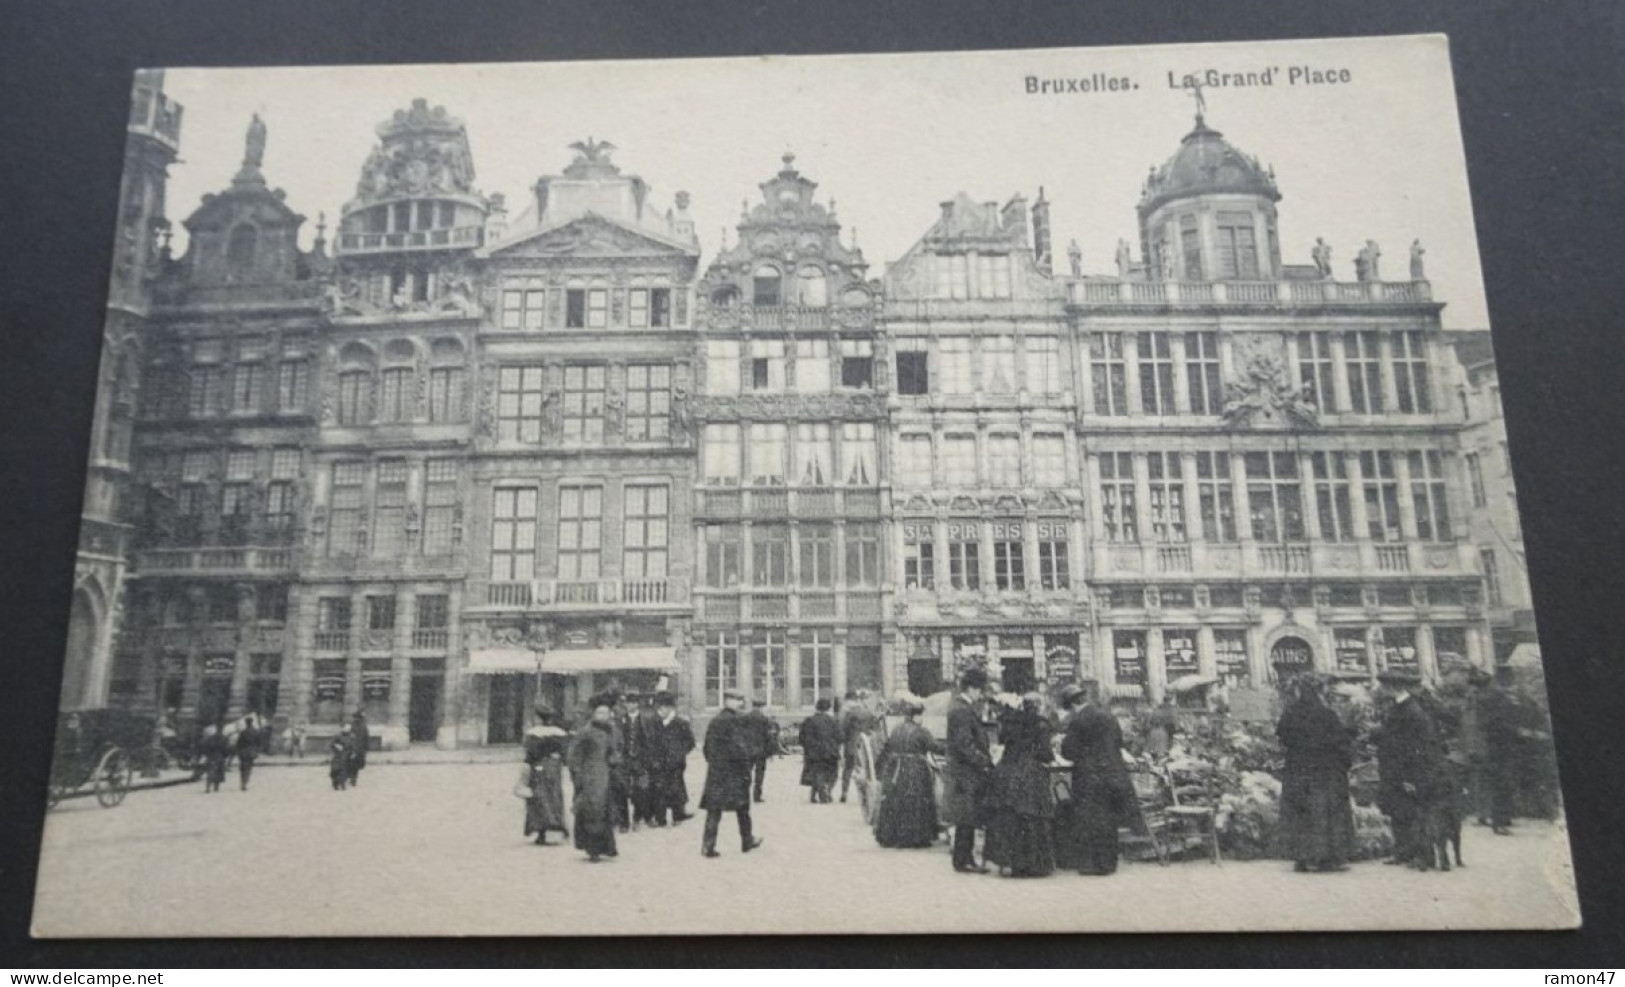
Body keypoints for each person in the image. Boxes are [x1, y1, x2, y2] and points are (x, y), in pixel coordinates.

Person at [1275, 676, 1355, 873]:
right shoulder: (1327, 715)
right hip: (1324, 771)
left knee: (1300, 812)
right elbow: (1341, 741)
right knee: (1324, 813)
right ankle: (1325, 858)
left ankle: (1301, 858)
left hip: (1298, 770)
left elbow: (1283, 738)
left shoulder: (1290, 713)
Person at [1060, 682, 1132, 876]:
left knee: (1090, 820)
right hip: (1113, 774)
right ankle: (1109, 863)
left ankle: (1094, 864)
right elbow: (1119, 743)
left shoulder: (1078, 720)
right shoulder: (1108, 716)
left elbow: (1068, 751)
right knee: (1108, 820)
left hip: (1090, 777)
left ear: (1072, 705)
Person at [986, 693, 1058, 878]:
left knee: (1011, 818)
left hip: (1008, 771)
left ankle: (1012, 862)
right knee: (1033, 818)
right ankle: (1033, 864)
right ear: (1039, 706)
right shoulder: (1040, 724)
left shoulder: (1010, 721)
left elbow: (1004, 742)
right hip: (1029, 773)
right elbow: (1045, 753)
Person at [1375, 672, 1441, 868]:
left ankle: (1421, 855)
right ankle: (1404, 852)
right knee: (1399, 811)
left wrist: (1410, 776)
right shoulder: (1400, 707)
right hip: (1396, 769)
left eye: (1383, 687)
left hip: (1406, 771)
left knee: (1413, 813)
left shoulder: (1411, 710)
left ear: (1392, 687)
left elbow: (1416, 746)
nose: (1380, 690)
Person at [698, 689, 764, 858]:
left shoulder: (714, 721)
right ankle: (747, 841)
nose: (740, 704)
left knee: (714, 810)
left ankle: (708, 845)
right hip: (734, 773)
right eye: (737, 700)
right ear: (728, 701)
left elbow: (707, 749)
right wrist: (745, 770)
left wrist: (715, 763)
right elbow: (740, 749)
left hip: (716, 773)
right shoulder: (737, 721)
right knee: (742, 808)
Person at [873, 699, 943, 849]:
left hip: (896, 769)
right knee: (917, 802)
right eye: (920, 715)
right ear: (916, 716)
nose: (921, 718)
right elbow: (935, 747)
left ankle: (892, 836)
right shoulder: (921, 731)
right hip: (915, 770)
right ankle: (915, 838)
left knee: (896, 801)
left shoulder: (896, 729)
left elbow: (887, 747)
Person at [944, 669, 994, 874]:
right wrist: (983, 762)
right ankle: (964, 860)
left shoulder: (959, 707)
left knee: (967, 817)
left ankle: (964, 859)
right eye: (980, 691)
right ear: (972, 688)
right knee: (967, 816)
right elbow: (964, 744)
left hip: (964, 771)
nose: (981, 695)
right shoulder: (962, 710)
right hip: (966, 772)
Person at [566, 696, 619, 863]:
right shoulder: (585, 732)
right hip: (589, 777)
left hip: (606, 775)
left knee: (605, 812)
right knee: (591, 812)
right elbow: (573, 755)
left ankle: (607, 847)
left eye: (606, 712)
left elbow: (614, 751)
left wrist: (614, 759)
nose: (603, 715)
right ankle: (593, 849)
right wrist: (578, 775)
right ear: (594, 714)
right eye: (600, 712)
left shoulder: (612, 730)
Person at [640, 691, 696, 825]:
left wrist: (679, 753)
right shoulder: (653, 723)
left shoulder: (681, 723)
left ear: (671, 708)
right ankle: (661, 818)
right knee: (659, 790)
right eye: (659, 708)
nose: (660, 711)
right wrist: (652, 759)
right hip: (658, 763)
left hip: (675, 763)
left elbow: (690, 742)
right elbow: (648, 742)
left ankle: (678, 816)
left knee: (676, 788)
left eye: (663, 708)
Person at [523, 710, 570, 846]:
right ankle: (557, 825)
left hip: (538, 768)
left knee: (538, 798)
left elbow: (530, 754)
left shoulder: (533, 734)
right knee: (554, 796)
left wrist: (528, 765)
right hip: (554, 769)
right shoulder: (560, 734)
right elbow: (565, 754)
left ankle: (541, 832)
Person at [839, 691, 881, 804]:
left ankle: (844, 792)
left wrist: (842, 743)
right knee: (868, 771)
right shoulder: (869, 713)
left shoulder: (849, 713)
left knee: (848, 769)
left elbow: (843, 730)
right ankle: (866, 796)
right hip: (866, 747)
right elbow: (875, 729)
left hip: (851, 745)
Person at [798, 698, 841, 804]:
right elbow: (841, 736)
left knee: (817, 773)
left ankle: (815, 794)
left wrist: (808, 748)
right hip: (831, 752)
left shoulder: (809, 720)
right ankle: (826, 791)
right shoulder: (833, 721)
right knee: (832, 774)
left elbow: (802, 738)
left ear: (816, 707)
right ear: (828, 708)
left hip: (814, 752)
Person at [744, 698, 775, 803]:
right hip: (761, 751)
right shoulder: (764, 719)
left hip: (747, 750)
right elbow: (768, 737)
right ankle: (757, 796)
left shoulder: (745, 717)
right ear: (762, 707)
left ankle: (744, 795)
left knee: (746, 773)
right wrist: (770, 752)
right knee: (759, 774)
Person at [199, 723, 229, 794]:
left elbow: (206, 748)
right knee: (218, 772)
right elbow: (226, 749)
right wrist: (225, 756)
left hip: (212, 757)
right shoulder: (224, 738)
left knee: (211, 772)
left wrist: (207, 755)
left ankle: (208, 787)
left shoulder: (211, 738)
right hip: (220, 757)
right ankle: (216, 787)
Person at [235, 714, 262, 791]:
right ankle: (245, 782)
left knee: (242, 768)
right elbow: (259, 743)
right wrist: (257, 751)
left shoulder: (243, 732)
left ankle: (243, 782)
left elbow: (239, 743)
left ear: (246, 723)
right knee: (249, 768)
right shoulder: (256, 732)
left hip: (243, 752)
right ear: (252, 722)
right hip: (251, 752)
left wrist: (238, 751)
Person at [348, 710, 370, 787]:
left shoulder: (355, 726)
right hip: (357, 749)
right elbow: (366, 738)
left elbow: (366, 738)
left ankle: (352, 778)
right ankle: (352, 779)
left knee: (354, 765)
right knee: (355, 765)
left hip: (355, 749)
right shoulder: (362, 726)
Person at [328, 726, 353, 791]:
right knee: (336, 770)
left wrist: (353, 753)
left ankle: (342, 783)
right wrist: (336, 745)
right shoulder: (338, 736)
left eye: (348, 729)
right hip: (338, 755)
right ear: (343, 728)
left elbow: (353, 745)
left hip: (347, 755)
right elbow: (332, 743)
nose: (347, 730)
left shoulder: (351, 736)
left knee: (345, 770)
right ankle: (335, 783)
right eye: (346, 728)